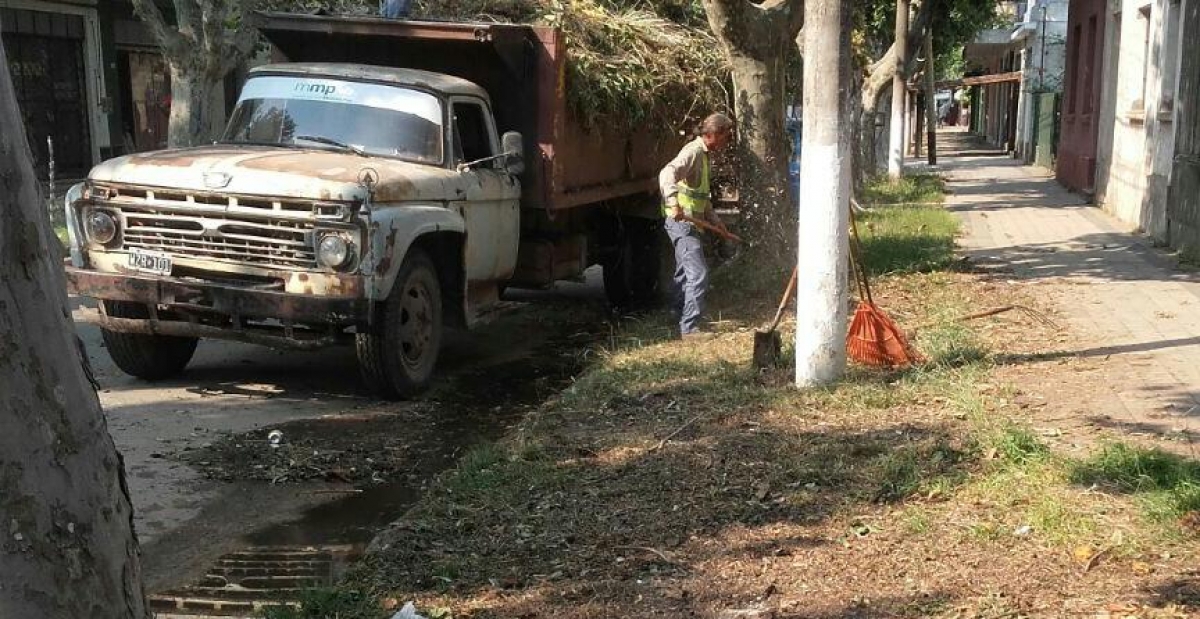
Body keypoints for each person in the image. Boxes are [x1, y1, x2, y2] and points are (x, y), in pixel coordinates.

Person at [659, 112, 735, 337]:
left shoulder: (704, 155)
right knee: (698, 273)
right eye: (726, 137)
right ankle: (690, 328)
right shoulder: (693, 152)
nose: (726, 142)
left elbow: (701, 197)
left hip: (691, 223)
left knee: (684, 273)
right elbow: (667, 173)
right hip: (681, 223)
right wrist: (673, 202)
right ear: (713, 134)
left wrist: (717, 222)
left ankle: (677, 315)